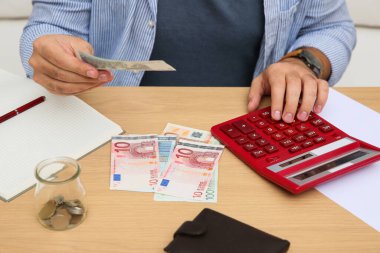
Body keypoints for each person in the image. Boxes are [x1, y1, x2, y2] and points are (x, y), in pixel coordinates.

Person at [20, 0, 356, 123]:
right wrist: (48, 53)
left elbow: (331, 27)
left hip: (256, 128)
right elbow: (51, 28)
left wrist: (302, 63)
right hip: (111, 124)